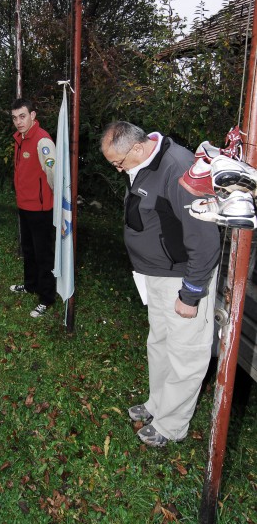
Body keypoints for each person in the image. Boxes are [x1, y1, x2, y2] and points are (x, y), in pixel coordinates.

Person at [100, 121, 220, 447]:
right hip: (155, 275)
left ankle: (171, 426)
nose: (117, 169)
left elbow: (205, 240)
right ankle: (157, 404)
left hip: (181, 278)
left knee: (186, 354)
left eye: (118, 163)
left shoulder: (179, 168)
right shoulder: (141, 163)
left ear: (137, 148)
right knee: (160, 344)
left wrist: (191, 293)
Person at [10, 98, 57, 318]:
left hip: (41, 209)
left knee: (43, 255)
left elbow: (53, 174)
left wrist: (52, 201)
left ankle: (46, 298)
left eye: (22, 116)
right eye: (14, 117)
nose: (18, 122)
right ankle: (30, 285)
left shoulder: (42, 141)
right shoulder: (19, 139)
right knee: (28, 250)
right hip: (24, 205)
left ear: (32, 116)